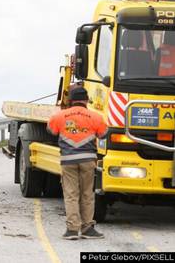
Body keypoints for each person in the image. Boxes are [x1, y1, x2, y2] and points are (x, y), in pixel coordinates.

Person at [47, 86, 107, 240]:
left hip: (68, 161)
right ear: (87, 100)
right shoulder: (96, 117)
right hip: (88, 160)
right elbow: (103, 134)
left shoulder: (60, 116)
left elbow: (51, 131)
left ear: (70, 100)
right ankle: (87, 229)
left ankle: (72, 230)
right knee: (87, 194)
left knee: (71, 195)